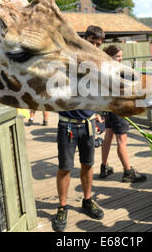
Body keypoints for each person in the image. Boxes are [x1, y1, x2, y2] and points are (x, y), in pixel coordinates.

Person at [52, 25, 105, 232]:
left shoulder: (99, 66)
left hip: (89, 124)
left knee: (88, 164)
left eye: (97, 44)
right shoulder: (68, 63)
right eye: (91, 42)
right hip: (67, 125)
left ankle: (87, 200)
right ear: (83, 39)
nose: (93, 46)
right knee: (65, 167)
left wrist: (99, 113)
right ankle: (62, 206)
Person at [99, 45, 146, 183]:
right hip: (118, 108)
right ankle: (128, 171)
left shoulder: (104, 70)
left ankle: (104, 167)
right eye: (117, 56)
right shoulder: (115, 71)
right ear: (110, 57)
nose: (120, 59)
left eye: (121, 56)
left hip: (109, 108)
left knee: (108, 135)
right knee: (122, 140)